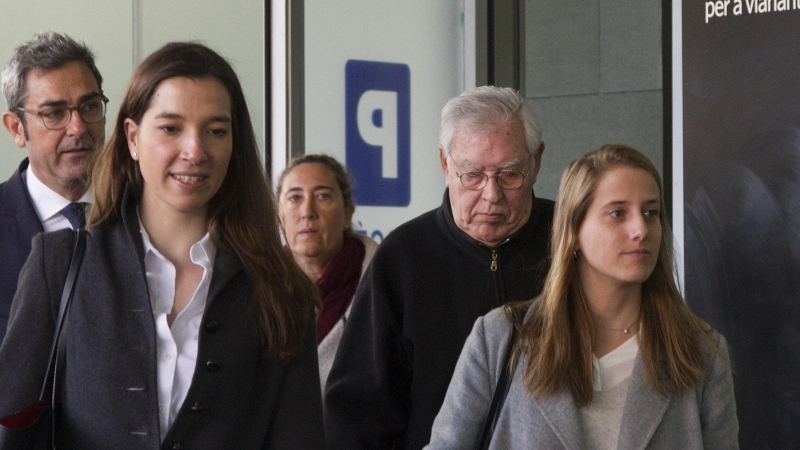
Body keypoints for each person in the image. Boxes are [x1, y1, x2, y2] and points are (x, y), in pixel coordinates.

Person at [0, 42, 324, 449]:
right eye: (171, 128)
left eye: (216, 131)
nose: (195, 151)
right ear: (132, 139)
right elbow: (11, 429)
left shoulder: (281, 290)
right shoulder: (60, 264)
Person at [426, 144, 738, 449]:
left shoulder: (699, 352)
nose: (640, 229)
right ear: (574, 230)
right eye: (618, 213)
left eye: (650, 212)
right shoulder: (502, 338)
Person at [324, 86, 554, 449]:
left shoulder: (574, 240)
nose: (491, 195)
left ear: (536, 162)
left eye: (510, 174)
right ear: (446, 165)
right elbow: (357, 417)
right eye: (473, 175)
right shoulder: (401, 258)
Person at [0, 32, 105, 341]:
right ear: (17, 128)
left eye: (90, 106)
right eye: (54, 113)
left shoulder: (141, 214)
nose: (78, 127)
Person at [277, 154, 378, 394]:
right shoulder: (255, 286)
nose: (307, 212)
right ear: (278, 215)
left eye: (322, 196)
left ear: (348, 213)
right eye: (294, 198)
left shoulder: (383, 281)